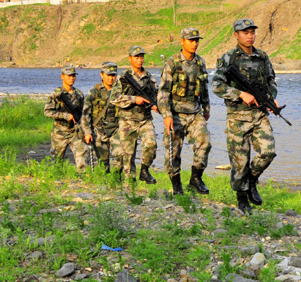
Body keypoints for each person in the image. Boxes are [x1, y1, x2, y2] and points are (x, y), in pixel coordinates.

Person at [212, 18, 278, 214]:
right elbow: (216, 85)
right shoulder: (228, 58)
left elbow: (271, 81)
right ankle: (242, 198)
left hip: (259, 114)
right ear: (236, 35)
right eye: (245, 32)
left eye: (252, 32)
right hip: (237, 117)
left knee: (268, 152)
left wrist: (271, 99)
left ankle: (251, 181)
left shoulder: (262, 56)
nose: (250, 36)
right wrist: (240, 94)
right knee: (239, 161)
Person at [158, 28, 212, 195]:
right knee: (173, 151)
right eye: (191, 40)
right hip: (175, 113)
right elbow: (163, 93)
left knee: (204, 143)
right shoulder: (172, 63)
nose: (194, 43)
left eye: (196, 40)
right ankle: (177, 186)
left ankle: (195, 179)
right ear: (182, 41)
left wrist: (207, 108)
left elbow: (203, 88)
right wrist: (166, 116)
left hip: (195, 112)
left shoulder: (200, 63)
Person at [110, 46, 159, 185]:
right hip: (127, 121)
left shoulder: (149, 77)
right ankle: (130, 187)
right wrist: (134, 99)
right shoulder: (123, 77)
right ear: (130, 59)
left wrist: (156, 104)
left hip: (145, 119)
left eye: (141, 57)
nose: (140, 60)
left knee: (151, 144)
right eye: (136, 57)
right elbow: (114, 98)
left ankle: (144, 170)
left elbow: (156, 94)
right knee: (128, 156)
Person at [43, 65, 88, 172]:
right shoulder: (56, 94)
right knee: (56, 162)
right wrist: (65, 116)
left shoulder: (79, 94)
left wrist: (86, 131)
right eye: (68, 76)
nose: (71, 78)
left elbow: (83, 114)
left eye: (73, 76)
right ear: (62, 76)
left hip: (75, 132)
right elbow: (47, 111)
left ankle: (83, 178)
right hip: (60, 133)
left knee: (82, 154)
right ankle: (56, 181)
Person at [82, 62, 123, 176]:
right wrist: (87, 132)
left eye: (113, 75)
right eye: (108, 75)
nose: (111, 78)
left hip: (116, 130)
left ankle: (116, 181)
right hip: (99, 131)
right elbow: (85, 114)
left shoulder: (120, 91)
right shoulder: (94, 91)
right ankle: (105, 183)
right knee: (103, 161)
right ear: (102, 75)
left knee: (120, 157)